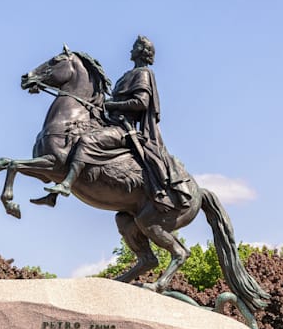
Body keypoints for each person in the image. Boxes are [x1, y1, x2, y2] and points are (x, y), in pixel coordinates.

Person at [45, 35, 190, 211]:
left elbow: (141, 102)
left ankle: (67, 184)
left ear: (142, 52)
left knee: (87, 141)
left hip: (124, 128)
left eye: (135, 47)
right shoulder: (126, 75)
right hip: (111, 122)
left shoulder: (143, 73)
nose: (131, 50)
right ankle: (53, 193)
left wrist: (111, 104)